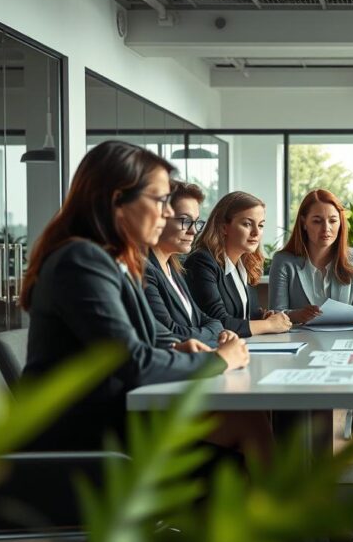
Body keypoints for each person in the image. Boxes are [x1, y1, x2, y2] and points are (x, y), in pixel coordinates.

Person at [19, 141, 258, 454]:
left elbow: (147, 339)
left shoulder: (114, 261)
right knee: (247, 426)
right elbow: (133, 361)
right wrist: (217, 360)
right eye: (160, 199)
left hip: (112, 417)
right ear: (118, 201)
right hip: (84, 441)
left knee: (248, 422)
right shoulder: (81, 261)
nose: (169, 212)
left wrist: (175, 347)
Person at [144, 180, 238, 348]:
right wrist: (214, 333)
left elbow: (207, 319)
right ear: (160, 218)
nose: (193, 231)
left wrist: (217, 331)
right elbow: (169, 334)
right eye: (185, 221)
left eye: (196, 222)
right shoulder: (145, 270)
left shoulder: (174, 268)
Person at [184, 191, 292, 337]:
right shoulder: (202, 262)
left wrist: (262, 318)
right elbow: (219, 323)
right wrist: (268, 325)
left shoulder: (244, 265)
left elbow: (247, 317)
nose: (256, 233)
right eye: (247, 224)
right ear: (224, 227)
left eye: (260, 226)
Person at [268, 189, 353, 325]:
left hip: (343, 340)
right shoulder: (283, 261)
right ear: (303, 223)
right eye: (317, 221)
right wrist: (298, 315)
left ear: (340, 223)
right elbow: (275, 313)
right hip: (299, 339)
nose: (326, 228)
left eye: (333, 221)